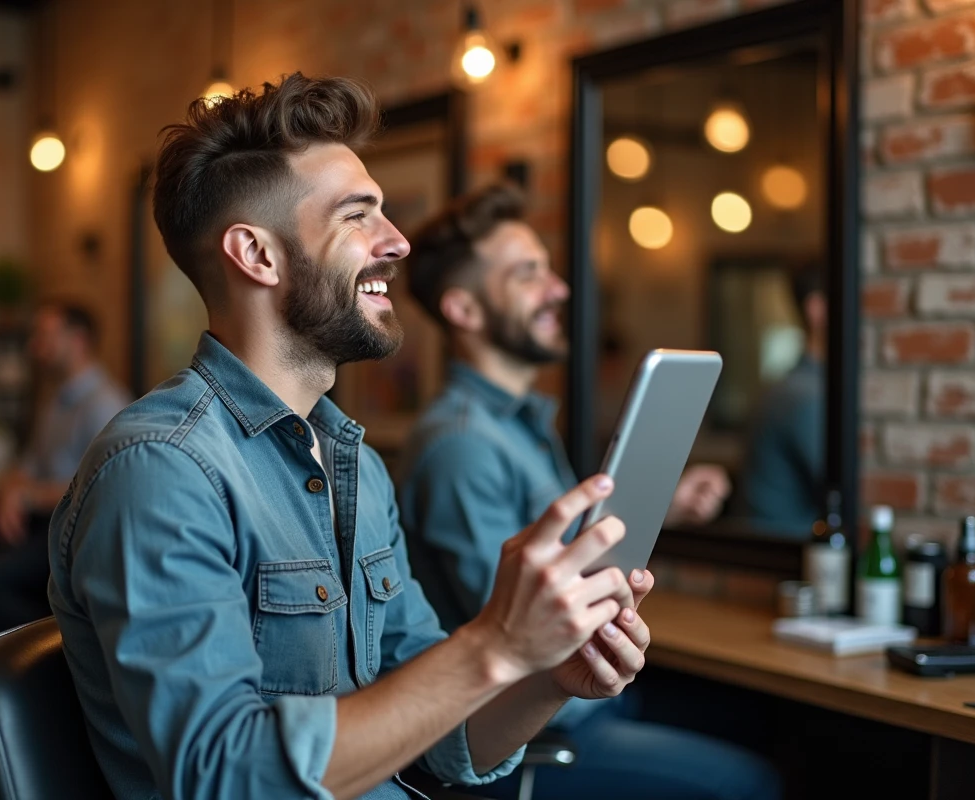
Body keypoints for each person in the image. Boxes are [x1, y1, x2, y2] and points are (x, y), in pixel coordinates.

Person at [47, 73, 656, 800]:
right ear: (258, 255)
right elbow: (222, 778)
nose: (396, 242)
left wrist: (549, 679)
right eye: (357, 215)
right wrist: (492, 647)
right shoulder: (160, 469)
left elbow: (441, 739)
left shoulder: (357, 467)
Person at [396, 182, 782, 800]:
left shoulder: (519, 427)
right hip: (535, 735)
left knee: (776, 726)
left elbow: (557, 553)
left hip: (584, 704)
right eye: (528, 275)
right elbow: (521, 628)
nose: (559, 290)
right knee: (752, 782)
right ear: (463, 310)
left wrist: (663, 503)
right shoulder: (462, 447)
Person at [0, 300, 130, 640]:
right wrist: (10, 491)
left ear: (77, 340)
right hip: (42, 531)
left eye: (45, 335)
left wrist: (26, 494)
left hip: (76, 545)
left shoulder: (105, 404)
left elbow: (98, 487)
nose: (35, 346)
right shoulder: (56, 400)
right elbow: (27, 464)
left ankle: (62, 650)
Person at [739, 264, 827, 536]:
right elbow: (846, 494)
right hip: (787, 561)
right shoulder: (801, 396)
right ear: (817, 308)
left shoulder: (802, 387)